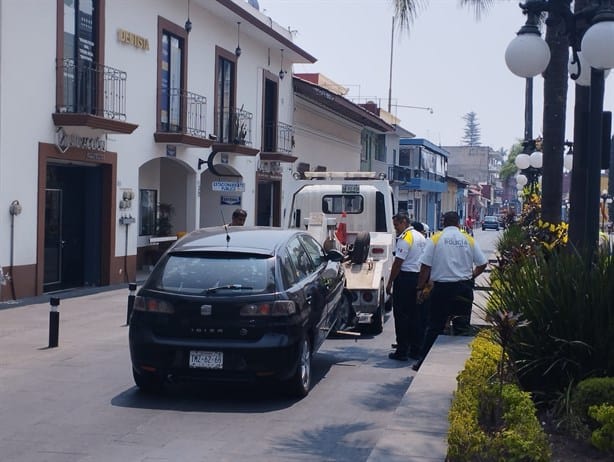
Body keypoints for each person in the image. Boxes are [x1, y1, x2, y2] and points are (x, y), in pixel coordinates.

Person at [412, 211, 487, 371]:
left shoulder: (436, 239)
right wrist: (472, 275)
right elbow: (482, 263)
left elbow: (425, 266)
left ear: (444, 223)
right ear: (458, 223)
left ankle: (422, 362)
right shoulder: (468, 239)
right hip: (463, 289)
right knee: (462, 327)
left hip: (442, 289)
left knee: (434, 327)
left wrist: (420, 288)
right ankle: (462, 366)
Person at [386, 213, 427, 361]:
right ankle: (415, 349)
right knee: (415, 315)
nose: (396, 228)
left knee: (401, 315)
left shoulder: (405, 238)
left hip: (405, 279)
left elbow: (398, 263)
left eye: (396, 225)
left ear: (404, 222)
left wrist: (390, 282)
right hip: (417, 279)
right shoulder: (421, 237)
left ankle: (402, 350)